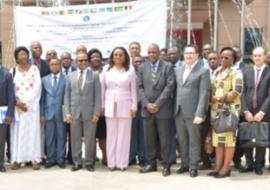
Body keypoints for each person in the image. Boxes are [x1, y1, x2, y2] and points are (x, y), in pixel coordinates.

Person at [137, 43, 174, 177]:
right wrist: (147, 104)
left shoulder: (168, 66)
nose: (152, 54)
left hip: (163, 109)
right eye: (150, 52)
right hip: (147, 110)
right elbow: (139, 88)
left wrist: (157, 104)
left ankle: (166, 165)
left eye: (154, 52)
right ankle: (151, 164)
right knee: (149, 139)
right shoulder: (142, 67)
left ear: (159, 53)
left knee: (165, 139)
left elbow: (170, 86)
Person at [174, 45, 211, 177]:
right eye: (186, 53)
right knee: (182, 140)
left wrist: (200, 113)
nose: (188, 56)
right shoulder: (178, 70)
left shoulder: (203, 71)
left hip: (194, 112)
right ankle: (184, 164)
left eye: (191, 53)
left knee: (194, 140)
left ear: (197, 55)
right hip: (178, 111)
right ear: (183, 55)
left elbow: (204, 93)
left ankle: (193, 166)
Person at [207, 47, 243, 178]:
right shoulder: (216, 72)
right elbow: (211, 89)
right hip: (216, 112)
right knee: (218, 141)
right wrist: (210, 98)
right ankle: (218, 167)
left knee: (228, 141)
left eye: (226, 58)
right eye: (221, 57)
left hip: (229, 113)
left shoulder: (236, 72)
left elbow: (237, 91)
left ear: (232, 59)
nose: (222, 59)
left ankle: (226, 168)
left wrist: (221, 97)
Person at [101, 47, 137, 171]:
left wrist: (134, 106)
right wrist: (102, 105)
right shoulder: (106, 69)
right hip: (110, 105)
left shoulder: (130, 70)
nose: (117, 57)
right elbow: (102, 89)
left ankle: (122, 163)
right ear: (112, 56)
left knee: (124, 135)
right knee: (111, 135)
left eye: (120, 55)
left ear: (125, 56)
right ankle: (111, 163)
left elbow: (133, 89)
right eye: (115, 54)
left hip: (126, 105)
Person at [64, 52, 101, 172]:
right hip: (74, 113)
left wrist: (96, 113)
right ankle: (77, 162)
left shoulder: (94, 75)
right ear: (76, 61)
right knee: (75, 139)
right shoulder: (70, 76)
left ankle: (89, 162)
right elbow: (67, 96)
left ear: (88, 61)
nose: (83, 62)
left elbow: (97, 96)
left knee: (90, 139)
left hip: (90, 113)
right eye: (80, 60)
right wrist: (67, 113)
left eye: (85, 60)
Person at [10, 46, 42, 170]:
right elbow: (10, 89)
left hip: (31, 107)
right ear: (16, 57)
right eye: (20, 54)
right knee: (17, 132)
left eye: (24, 53)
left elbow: (37, 88)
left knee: (32, 131)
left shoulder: (34, 70)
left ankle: (34, 159)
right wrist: (17, 102)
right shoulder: (12, 71)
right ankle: (17, 159)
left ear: (27, 55)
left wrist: (26, 103)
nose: (22, 56)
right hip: (17, 107)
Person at [240, 46, 270, 175]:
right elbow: (241, 92)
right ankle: (249, 163)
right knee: (247, 137)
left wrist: (262, 112)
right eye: (255, 55)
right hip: (248, 110)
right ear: (252, 57)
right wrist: (246, 111)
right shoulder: (246, 71)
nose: (257, 58)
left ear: (264, 57)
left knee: (260, 138)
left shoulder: (269, 72)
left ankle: (258, 164)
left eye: (260, 55)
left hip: (263, 111)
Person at [41, 58, 66, 168]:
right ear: (49, 66)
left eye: (56, 64)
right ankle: (51, 159)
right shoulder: (44, 80)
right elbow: (42, 99)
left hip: (62, 113)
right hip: (48, 112)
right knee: (49, 137)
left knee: (61, 136)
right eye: (52, 64)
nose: (54, 66)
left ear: (60, 65)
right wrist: (42, 114)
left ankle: (60, 159)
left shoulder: (66, 79)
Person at [199, 50, 220, 170]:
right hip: (205, 109)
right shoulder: (203, 72)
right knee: (202, 135)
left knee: (218, 135)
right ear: (207, 60)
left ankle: (218, 161)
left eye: (214, 59)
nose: (212, 61)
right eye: (210, 59)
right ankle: (205, 161)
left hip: (219, 109)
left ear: (218, 60)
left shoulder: (222, 73)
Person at [87, 48, 107, 166]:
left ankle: (106, 157)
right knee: (91, 136)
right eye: (93, 57)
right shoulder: (86, 72)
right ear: (89, 60)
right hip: (90, 109)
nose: (95, 58)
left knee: (103, 135)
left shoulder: (106, 71)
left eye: (97, 56)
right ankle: (92, 157)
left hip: (104, 108)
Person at [129, 55, 145, 167]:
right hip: (131, 108)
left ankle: (142, 157)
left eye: (140, 61)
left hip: (144, 108)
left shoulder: (146, 73)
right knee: (132, 134)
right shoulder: (128, 74)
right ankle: (131, 157)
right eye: (135, 62)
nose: (137, 63)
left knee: (143, 134)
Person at [60, 52, 76, 164]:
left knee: (73, 134)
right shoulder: (55, 71)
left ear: (71, 60)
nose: (65, 60)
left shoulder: (76, 71)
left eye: (67, 58)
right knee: (61, 133)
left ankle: (72, 156)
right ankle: (61, 156)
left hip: (73, 107)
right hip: (59, 107)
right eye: (63, 58)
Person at [0, 66, 15, 172]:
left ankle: (0, 164)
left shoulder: (7, 74)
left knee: (1, 140)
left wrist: (10, 114)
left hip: (2, 112)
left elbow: (11, 96)